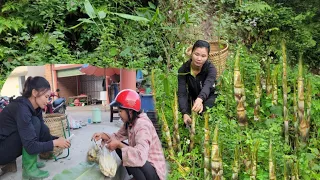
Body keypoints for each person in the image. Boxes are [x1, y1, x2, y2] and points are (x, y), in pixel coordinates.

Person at [0, 76, 71, 179]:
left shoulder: (35, 108)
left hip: (8, 144)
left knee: (41, 126)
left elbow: (43, 131)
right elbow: (31, 146)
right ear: (34, 93)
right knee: (34, 123)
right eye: (46, 97)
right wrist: (54, 143)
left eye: (49, 97)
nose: (48, 101)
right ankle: (29, 170)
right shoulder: (22, 109)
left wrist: (58, 140)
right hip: (2, 151)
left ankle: (30, 163)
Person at [92, 89, 166, 180]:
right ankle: (137, 177)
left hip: (154, 171)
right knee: (120, 147)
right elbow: (117, 136)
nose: (119, 114)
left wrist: (119, 144)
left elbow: (140, 156)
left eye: (120, 111)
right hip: (144, 162)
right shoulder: (130, 122)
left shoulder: (142, 125)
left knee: (124, 149)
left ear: (130, 111)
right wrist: (103, 135)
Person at [178, 40, 217, 126]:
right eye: (196, 54)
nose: (199, 59)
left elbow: (208, 86)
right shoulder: (183, 70)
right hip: (193, 97)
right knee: (184, 111)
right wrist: (184, 112)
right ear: (191, 53)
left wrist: (200, 99)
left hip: (208, 96)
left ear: (207, 57)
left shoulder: (211, 69)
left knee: (206, 110)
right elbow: (182, 92)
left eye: (203, 56)